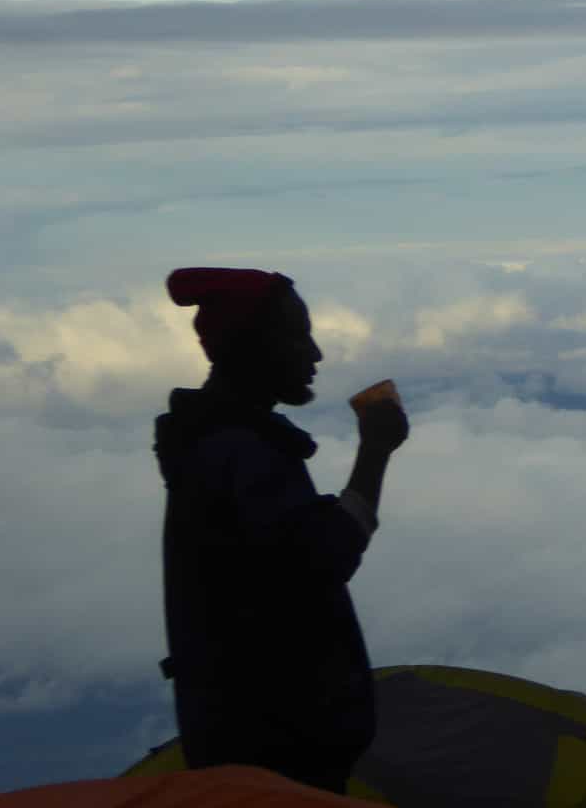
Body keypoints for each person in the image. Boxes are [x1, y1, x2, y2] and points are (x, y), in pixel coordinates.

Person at [153, 268, 409, 794]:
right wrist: (376, 451)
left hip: (243, 742)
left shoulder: (216, 445)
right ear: (252, 347)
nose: (314, 354)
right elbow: (326, 557)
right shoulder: (241, 453)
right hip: (277, 754)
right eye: (297, 335)